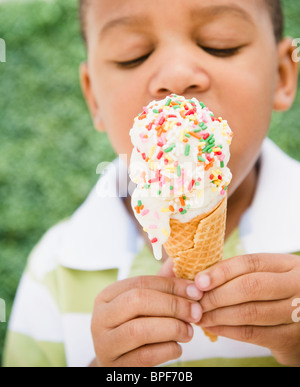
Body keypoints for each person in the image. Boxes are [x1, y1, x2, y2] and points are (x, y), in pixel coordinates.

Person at [3, 0, 300, 367]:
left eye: (220, 44)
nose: (176, 76)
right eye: (134, 55)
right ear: (93, 96)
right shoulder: (55, 271)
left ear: (283, 74)